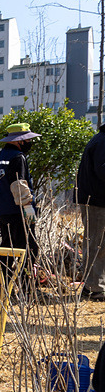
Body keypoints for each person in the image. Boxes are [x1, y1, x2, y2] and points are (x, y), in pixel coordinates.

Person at [0, 123, 40, 292]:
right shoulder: (18, 157)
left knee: (8, 248)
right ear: (19, 141)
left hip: (1, 211)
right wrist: (28, 207)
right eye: (27, 139)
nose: (29, 142)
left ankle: (5, 287)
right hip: (18, 211)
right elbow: (19, 184)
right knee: (29, 249)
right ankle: (27, 289)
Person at [75, 123, 105, 301]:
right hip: (96, 201)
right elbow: (103, 170)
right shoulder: (103, 142)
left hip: (97, 200)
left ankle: (96, 285)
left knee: (99, 244)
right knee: (96, 244)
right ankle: (92, 288)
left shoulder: (100, 140)